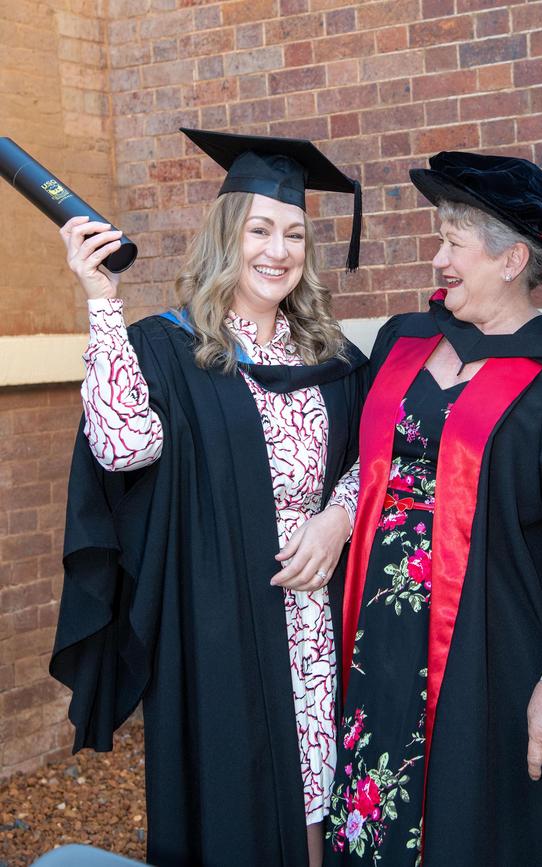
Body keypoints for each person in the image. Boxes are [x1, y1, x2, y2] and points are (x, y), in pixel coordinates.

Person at [50, 130, 368, 867]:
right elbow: (122, 445)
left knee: (313, 789)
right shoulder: (171, 346)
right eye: (260, 228)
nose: (277, 250)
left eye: (293, 233)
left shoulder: (331, 354)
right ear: (229, 233)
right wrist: (101, 299)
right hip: (216, 618)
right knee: (232, 792)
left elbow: (374, 457)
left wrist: (339, 517)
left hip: (312, 616)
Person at [324, 151, 542, 866]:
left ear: (510, 260)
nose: (437, 257)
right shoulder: (402, 342)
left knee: (474, 822)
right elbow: (358, 463)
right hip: (378, 639)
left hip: (491, 650)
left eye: (451, 242)